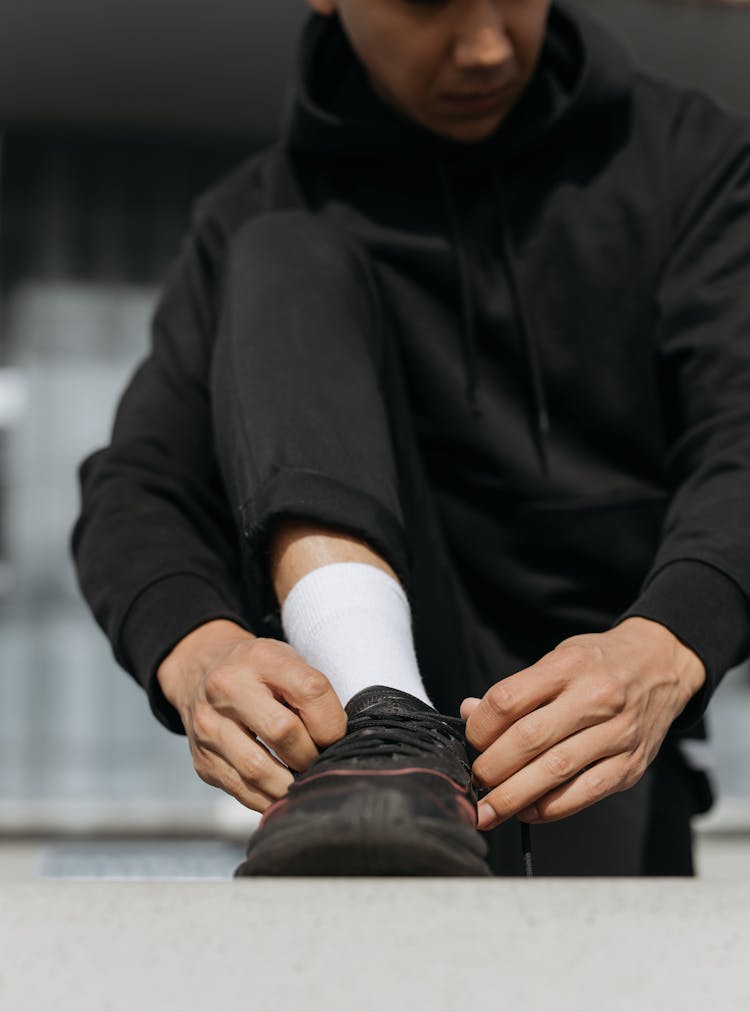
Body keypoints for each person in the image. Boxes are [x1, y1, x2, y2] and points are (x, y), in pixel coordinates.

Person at [72, 0, 750, 876]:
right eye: (429, 1)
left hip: (595, 758)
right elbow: (138, 488)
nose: (486, 46)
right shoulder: (251, 215)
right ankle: (381, 725)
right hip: (350, 769)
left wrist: (664, 645)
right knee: (279, 253)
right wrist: (198, 651)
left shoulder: (690, 161)